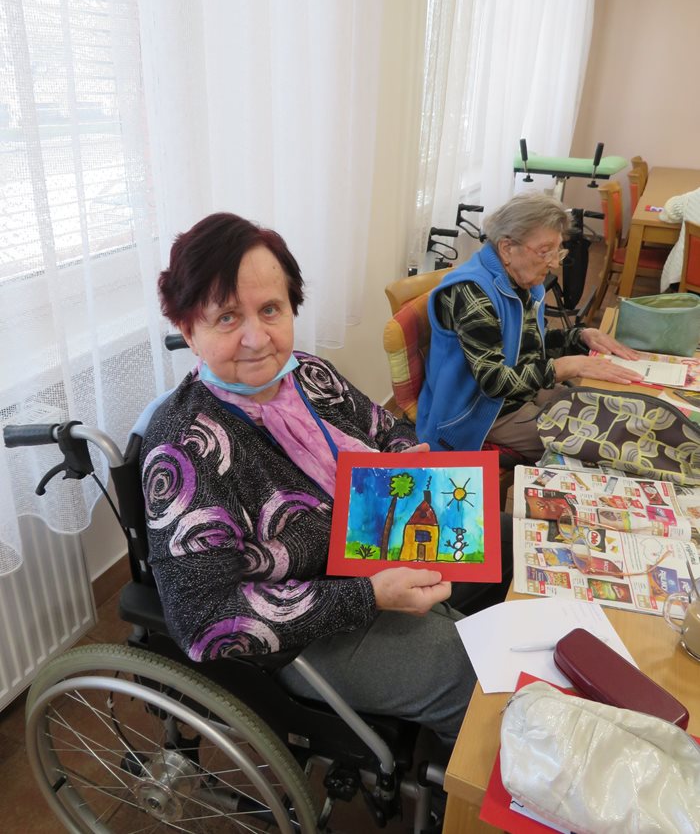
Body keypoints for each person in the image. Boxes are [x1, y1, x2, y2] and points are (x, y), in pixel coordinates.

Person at [141, 212, 505, 746]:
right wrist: (368, 596)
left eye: (270, 309)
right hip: (307, 621)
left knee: (505, 536)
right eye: (226, 317)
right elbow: (205, 620)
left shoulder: (308, 374)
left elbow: (386, 429)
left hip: (382, 542)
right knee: (466, 677)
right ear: (188, 330)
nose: (256, 338)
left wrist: (407, 459)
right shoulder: (186, 448)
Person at [417, 192, 644, 461]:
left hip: (518, 397)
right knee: (598, 445)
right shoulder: (472, 293)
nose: (555, 263)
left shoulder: (518, 279)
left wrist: (580, 337)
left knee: (612, 414)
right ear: (507, 248)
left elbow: (525, 346)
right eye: (545, 251)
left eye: (558, 250)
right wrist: (566, 367)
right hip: (476, 415)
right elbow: (494, 381)